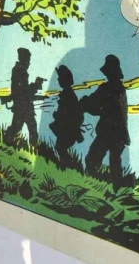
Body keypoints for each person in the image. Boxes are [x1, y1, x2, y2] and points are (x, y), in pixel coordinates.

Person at [81, 54, 129, 190]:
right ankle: (116, 190)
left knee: (92, 159)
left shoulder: (107, 88)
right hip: (119, 133)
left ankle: (91, 187)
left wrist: (84, 103)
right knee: (115, 164)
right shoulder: (120, 88)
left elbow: (95, 106)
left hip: (108, 132)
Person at [3, 47, 44, 147]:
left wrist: (34, 86)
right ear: (23, 59)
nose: (29, 63)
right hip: (23, 106)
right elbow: (23, 91)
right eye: (28, 60)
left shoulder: (19, 70)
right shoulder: (20, 71)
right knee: (29, 128)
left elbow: (22, 90)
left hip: (22, 106)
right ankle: (33, 149)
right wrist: (36, 85)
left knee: (18, 128)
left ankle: (7, 142)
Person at [49, 64, 83, 169]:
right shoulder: (67, 93)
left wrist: (56, 115)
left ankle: (69, 167)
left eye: (60, 78)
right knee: (60, 148)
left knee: (60, 148)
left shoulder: (68, 95)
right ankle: (67, 167)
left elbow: (68, 114)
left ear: (65, 80)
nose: (58, 80)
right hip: (67, 128)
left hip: (68, 129)